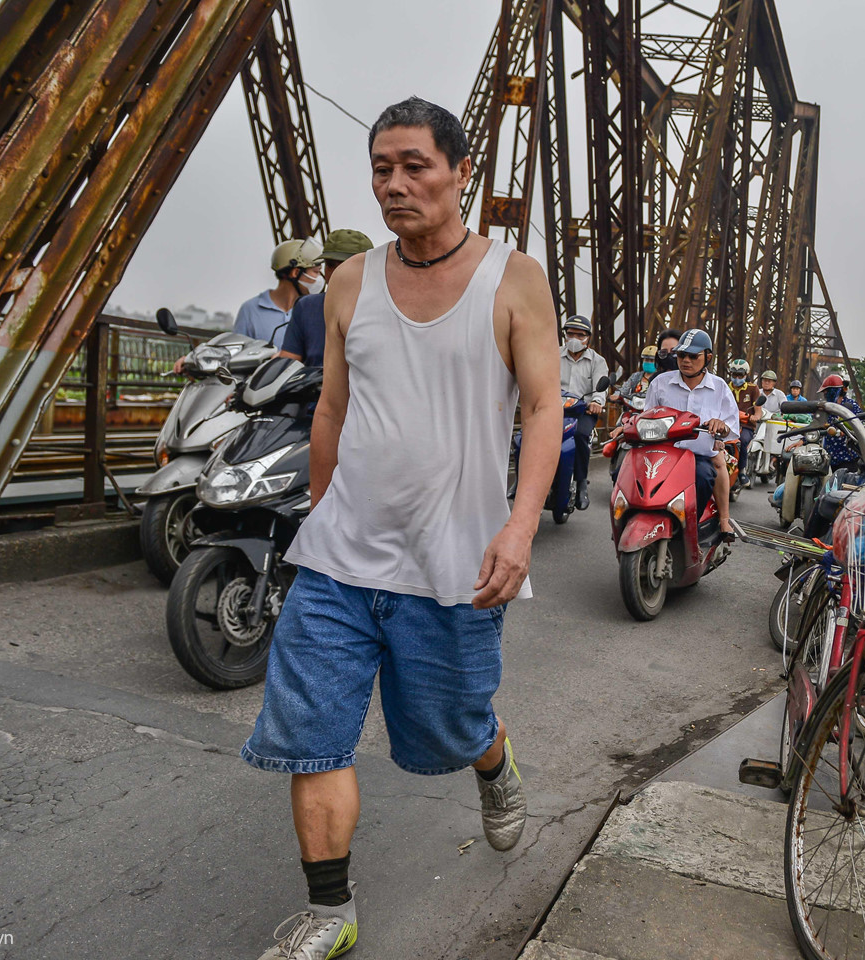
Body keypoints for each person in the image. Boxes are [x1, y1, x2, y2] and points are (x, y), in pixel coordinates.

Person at [241, 96, 561, 960]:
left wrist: (521, 526)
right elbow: (332, 412)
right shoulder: (350, 281)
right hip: (342, 559)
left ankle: (492, 757)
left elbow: (542, 406)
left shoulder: (514, 278)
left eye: (414, 165)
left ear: (461, 172)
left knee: (446, 729)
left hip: (453, 564)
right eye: (381, 168)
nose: (394, 183)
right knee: (311, 735)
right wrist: (315, 522)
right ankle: (328, 912)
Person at [171, 238, 322, 373]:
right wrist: (193, 360)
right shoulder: (251, 310)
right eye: (315, 272)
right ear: (295, 272)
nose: (319, 279)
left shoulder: (313, 310)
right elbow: (233, 351)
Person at [643, 327, 738, 532]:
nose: (686, 360)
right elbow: (646, 415)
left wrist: (721, 427)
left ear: (708, 357)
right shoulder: (660, 383)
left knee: (703, 477)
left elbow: (731, 428)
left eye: (693, 356)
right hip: (660, 453)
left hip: (698, 457)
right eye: (681, 355)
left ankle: (691, 530)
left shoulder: (720, 388)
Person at [280, 229, 376, 367]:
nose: (336, 273)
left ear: (368, 267)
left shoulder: (385, 307)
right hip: (316, 387)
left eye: (345, 265)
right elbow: (287, 363)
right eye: (330, 265)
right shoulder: (306, 307)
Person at [558, 314, 609, 509]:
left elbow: (600, 387)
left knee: (580, 436)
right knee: (530, 434)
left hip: (582, 411)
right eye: (570, 334)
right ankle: (521, 481)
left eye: (580, 335)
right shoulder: (553, 355)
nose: (574, 339)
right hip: (555, 408)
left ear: (588, 338)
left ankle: (581, 483)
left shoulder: (598, 361)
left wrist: (596, 401)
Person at [726, 358, 761, 488]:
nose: (736, 378)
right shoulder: (724, 386)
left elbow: (758, 410)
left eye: (740, 375)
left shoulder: (753, 389)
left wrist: (755, 417)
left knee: (742, 441)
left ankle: (741, 471)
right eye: (734, 375)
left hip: (745, 425)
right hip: (727, 424)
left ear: (746, 375)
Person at [819, 373, 863, 467]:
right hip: (830, 459)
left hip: (849, 459)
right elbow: (816, 425)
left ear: (835, 391)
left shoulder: (851, 406)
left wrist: (849, 431)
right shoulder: (826, 408)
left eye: (826, 391)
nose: (825, 394)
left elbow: (862, 425)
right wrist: (803, 440)